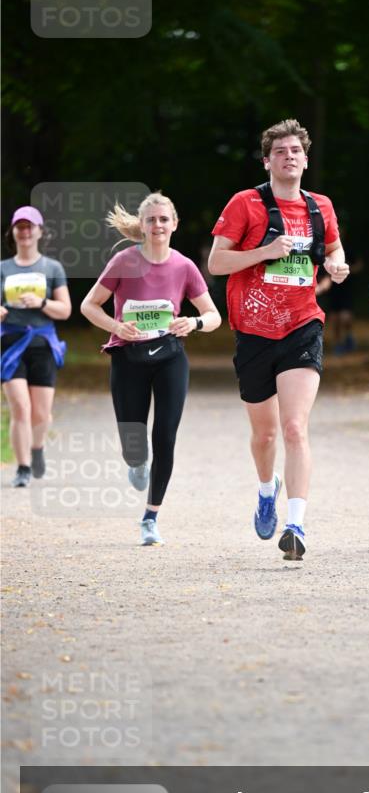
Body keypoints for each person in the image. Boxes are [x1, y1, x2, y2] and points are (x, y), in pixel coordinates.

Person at [208, 118, 349, 561]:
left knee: (294, 427)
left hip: (303, 323)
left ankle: (297, 523)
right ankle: (267, 489)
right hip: (253, 330)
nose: (290, 156)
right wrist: (264, 252)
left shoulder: (319, 207)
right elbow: (216, 263)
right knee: (265, 435)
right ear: (267, 160)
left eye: (296, 151)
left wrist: (337, 265)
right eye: (281, 151)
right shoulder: (245, 204)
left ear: (306, 160)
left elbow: (334, 248)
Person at [81, 192, 221, 545]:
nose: (157, 225)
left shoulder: (184, 266)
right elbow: (88, 305)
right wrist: (116, 327)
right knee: (134, 445)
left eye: (163, 219)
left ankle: (150, 517)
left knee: (166, 437)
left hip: (170, 357)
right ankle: (135, 461)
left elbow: (214, 315)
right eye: (151, 220)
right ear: (141, 226)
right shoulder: (124, 262)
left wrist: (194, 323)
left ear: (174, 224)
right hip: (128, 358)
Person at [1, 206, 70, 487]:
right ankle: (23, 467)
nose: (25, 231)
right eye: (20, 226)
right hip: (10, 344)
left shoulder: (52, 268)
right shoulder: (3, 269)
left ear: (40, 231)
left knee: (41, 413)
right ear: (13, 232)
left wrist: (41, 303)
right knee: (20, 407)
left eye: (30, 226)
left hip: (42, 342)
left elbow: (65, 310)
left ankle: (37, 448)